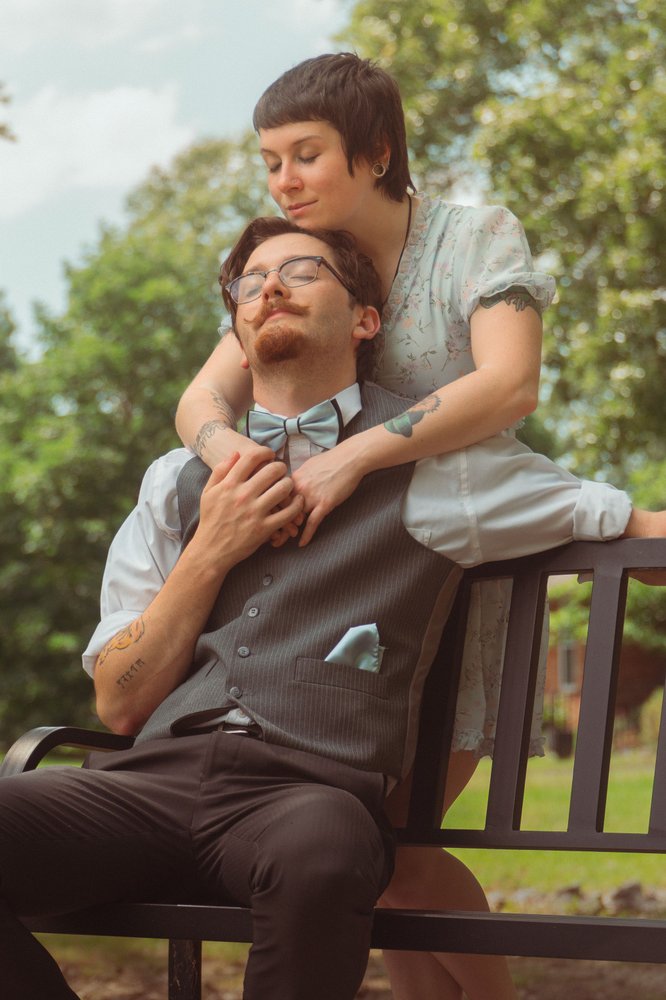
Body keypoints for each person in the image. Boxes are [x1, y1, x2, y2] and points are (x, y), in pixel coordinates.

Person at [174, 54, 666, 1000]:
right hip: (348, 603)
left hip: (458, 569)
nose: (284, 181)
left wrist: (354, 456)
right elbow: (202, 395)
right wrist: (227, 449)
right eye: (270, 161)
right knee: (379, 858)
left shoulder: (472, 238)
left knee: (391, 847)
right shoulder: (302, 265)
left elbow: (510, 385)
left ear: (376, 152)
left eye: (306, 155)